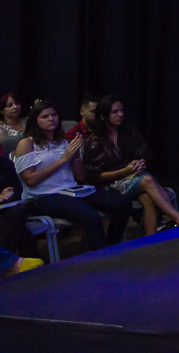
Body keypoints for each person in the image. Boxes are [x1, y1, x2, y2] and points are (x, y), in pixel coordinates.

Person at [14, 101, 132, 252]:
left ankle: (111, 246)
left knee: (122, 202)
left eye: (54, 115)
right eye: (45, 116)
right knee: (90, 215)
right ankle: (104, 257)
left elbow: (80, 176)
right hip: (42, 196)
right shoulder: (27, 143)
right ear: (35, 120)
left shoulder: (64, 141)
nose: (51, 119)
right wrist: (63, 159)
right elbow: (30, 179)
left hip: (71, 190)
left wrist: (76, 157)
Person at [82, 96, 179, 235]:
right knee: (147, 180)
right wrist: (125, 171)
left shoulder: (129, 132)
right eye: (115, 112)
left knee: (148, 198)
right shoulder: (95, 141)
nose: (120, 114)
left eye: (122, 110)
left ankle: (151, 242)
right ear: (103, 116)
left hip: (136, 178)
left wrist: (141, 163)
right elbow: (95, 176)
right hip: (111, 185)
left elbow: (144, 154)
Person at [0, 122, 41, 260]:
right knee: (20, 230)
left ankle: (3, 266)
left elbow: (18, 190)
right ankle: (35, 266)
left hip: (6, 209)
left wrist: (8, 196)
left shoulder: (4, 164)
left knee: (19, 212)